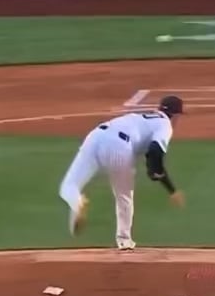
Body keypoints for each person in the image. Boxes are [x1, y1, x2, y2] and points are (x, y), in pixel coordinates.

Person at [57, 95, 187, 249]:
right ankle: (124, 241)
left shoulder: (140, 118)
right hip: (118, 146)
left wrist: (153, 169)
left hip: (95, 136)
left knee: (68, 185)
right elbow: (155, 151)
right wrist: (169, 187)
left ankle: (77, 202)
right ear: (175, 115)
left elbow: (152, 156)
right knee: (124, 196)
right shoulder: (165, 124)